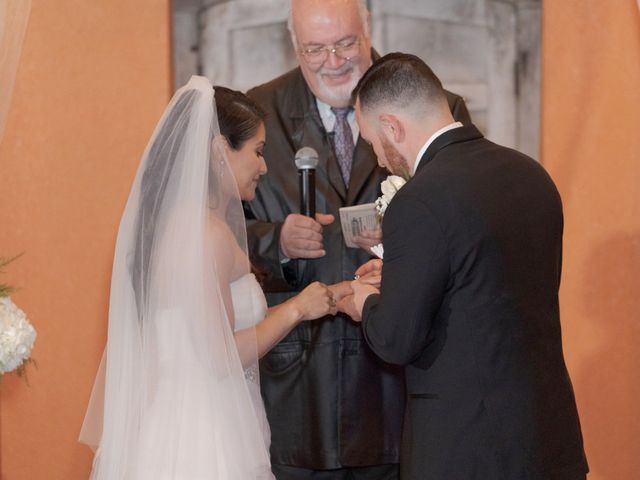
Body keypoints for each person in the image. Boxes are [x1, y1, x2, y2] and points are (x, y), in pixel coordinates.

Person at [79, 76, 350, 479]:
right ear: (220, 150)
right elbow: (218, 355)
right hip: (202, 436)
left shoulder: (182, 225)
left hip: (194, 417)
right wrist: (297, 309)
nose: (263, 166)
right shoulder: (204, 234)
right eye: (257, 152)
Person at [245, 1, 471, 478]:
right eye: (315, 49)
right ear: (294, 46)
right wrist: (278, 242)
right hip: (296, 379)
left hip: (396, 373)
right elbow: (216, 238)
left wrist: (404, 243)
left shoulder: (438, 108)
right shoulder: (258, 113)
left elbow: (466, 219)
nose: (333, 60)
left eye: (346, 43)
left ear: (368, 32)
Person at [340, 52, 589, 479]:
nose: (379, 159)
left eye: (372, 142)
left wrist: (365, 303)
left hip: (467, 448)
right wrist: (403, 279)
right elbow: (491, 285)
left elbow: (396, 339)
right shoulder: (532, 174)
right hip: (548, 438)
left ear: (392, 127)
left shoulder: (418, 201)